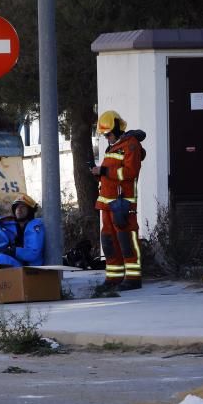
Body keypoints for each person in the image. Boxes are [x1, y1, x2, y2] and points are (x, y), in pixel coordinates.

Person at [91, 110, 145, 293]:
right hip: (107, 203)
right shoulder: (114, 147)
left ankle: (133, 278)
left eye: (108, 134)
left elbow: (129, 173)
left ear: (116, 128)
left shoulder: (131, 146)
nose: (107, 138)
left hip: (122, 203)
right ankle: (113, 277)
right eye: (105, 135)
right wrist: (99, 174)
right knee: (108, 241)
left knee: (126, 239)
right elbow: (111, 176)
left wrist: (104, 172)